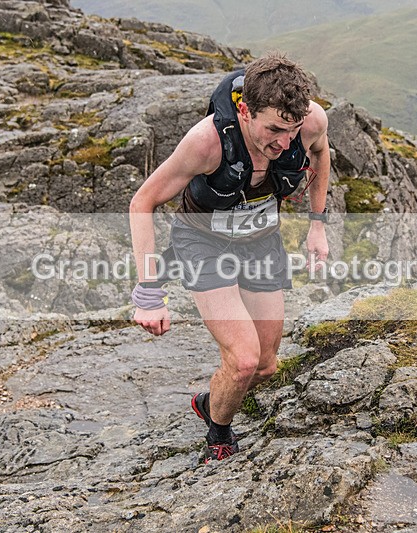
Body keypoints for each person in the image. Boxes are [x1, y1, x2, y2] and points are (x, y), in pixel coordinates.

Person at [129, 52, 331, 462]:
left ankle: (210, 401)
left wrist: (317, 225)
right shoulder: (206, 142)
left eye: (292, 131)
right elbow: (142, 202)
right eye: (274, 129)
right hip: (204, 243)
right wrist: (148, 292)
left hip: (260, 242)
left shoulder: (310, 122)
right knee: (243, 360)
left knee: (265, 366)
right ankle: (219, 435)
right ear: (244, 109)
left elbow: (322, 154)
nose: (284, 142)